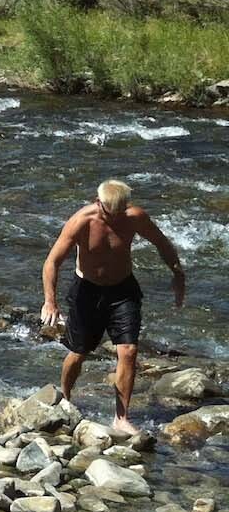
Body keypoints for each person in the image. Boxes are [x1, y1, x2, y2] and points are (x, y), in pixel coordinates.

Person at [41, 179, 186, 434]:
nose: (117, 218)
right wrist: (50, 301)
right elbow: (52, 262)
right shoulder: (81, 221)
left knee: (129, 350)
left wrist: (178, 274)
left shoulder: (134, 217)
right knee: (79, 352)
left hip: (123, 290)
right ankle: (66, 396)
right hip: (87, 291)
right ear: (100, 204)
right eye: (112, 213)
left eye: (121, 211)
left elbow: (161, 243)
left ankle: (121, 417)